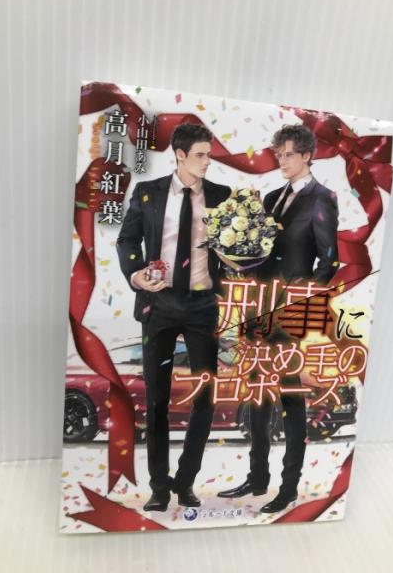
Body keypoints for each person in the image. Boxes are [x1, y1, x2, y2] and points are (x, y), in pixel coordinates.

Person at [218, 124, 339, 513]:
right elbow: (260, 253)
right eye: (279, 154)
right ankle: (257, 479)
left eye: (288, 154)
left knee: (290, 398)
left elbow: (329, 260)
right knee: (257, 396)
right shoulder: (271, 197)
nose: (281, 161)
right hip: (258, 311)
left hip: (291, 315)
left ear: (307, 155)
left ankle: (288, 488)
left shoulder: (323, 198)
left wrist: (302, 304)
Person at [117, 123, 231, 511]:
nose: (207, 161)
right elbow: (127, 239)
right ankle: (159, 487)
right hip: (158, 304)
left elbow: (234, 250)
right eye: (200, 154)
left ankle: (185, 482)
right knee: (157, 401)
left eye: (209, 154)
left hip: (203, 307)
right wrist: (135, 274)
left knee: (205, 399)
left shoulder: (222, 195)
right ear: (180, 155)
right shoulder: (148, 192)